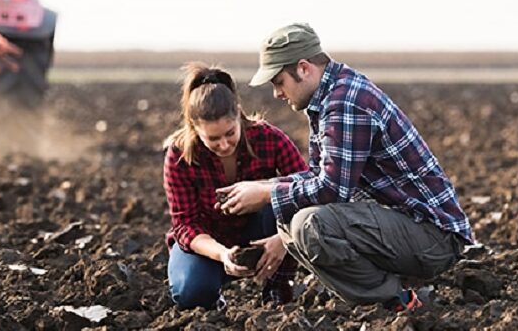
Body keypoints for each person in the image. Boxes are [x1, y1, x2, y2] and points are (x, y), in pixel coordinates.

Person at [220, 23, 474, 312]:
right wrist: (265, 187)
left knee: (309, 225)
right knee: (293, 216)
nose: (277, 93)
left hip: (434, 238)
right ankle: (391, 289)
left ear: (303, 68)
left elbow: (331, 190)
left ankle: (399, 301)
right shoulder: (329, 96)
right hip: (406, 226)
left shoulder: (344, 102)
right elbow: (321, 175)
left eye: (279, 82)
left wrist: (267, 195)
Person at [163, 62, 307, 309]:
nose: (224, 144)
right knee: (191, 292)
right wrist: (221, 254)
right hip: (209, 241)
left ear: (238, 114)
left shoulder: (269, 139)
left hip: (262, 231)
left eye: (230, 133)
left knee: (281, 195)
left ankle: (277, 293)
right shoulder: (179, 156)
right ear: (195, 128)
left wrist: (284, 240)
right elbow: (185, 224)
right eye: (213, 139)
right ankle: (213, 300)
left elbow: (309, 188)